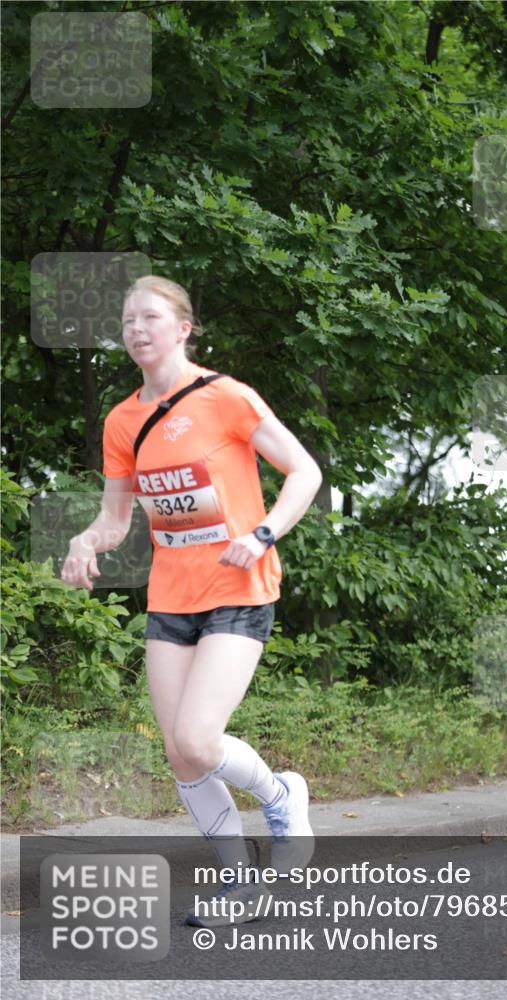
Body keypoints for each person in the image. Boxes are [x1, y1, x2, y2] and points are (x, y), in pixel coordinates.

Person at [61, 275, 322, 927]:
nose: (136, 329)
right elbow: (116, 519)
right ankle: (241, 884)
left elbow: (305, 472)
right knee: (179, 752)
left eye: (150, 317)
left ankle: (279, 793)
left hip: (238, 588)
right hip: (171, 599)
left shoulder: (225, 398)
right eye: (126, 321)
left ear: (182, 328)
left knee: (199, 741)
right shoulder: (123, 420)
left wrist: (261, 534)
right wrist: (85, 540)